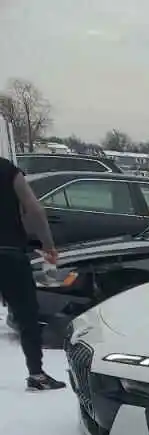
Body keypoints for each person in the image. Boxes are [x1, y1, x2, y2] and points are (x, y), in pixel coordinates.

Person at [0, 155, 63, 390]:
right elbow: (34, 209)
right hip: (9, 253)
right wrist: (48, 245)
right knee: (26, 314)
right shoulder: (6, 170)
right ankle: (37, 375)